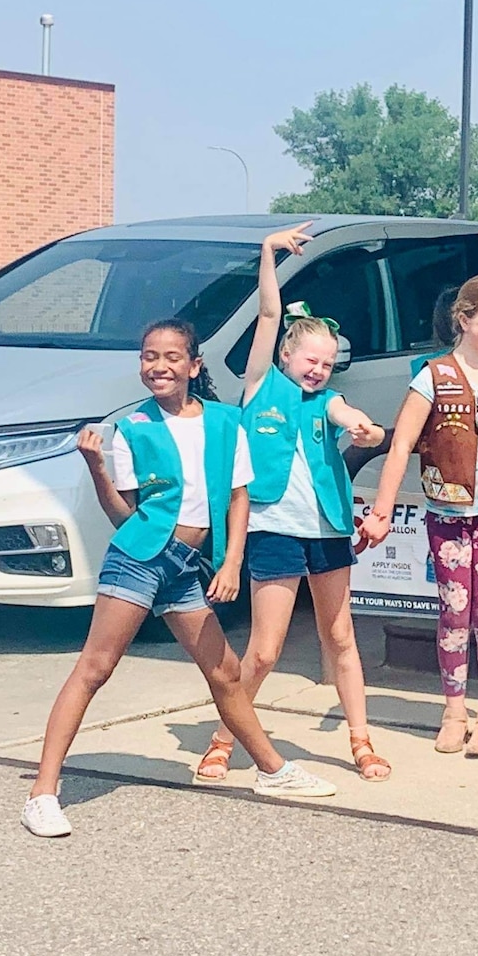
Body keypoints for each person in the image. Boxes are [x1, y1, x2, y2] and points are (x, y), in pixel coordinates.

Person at [21, 317, 336, 838]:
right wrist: (97, 467)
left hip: (188, 568)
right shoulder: (132, 429)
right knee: (96, 667)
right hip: (141, 557)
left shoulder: (225, 423)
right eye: (149, 356)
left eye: (170, 357)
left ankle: (273, 772)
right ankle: (42, 794)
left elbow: (238, 497)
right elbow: (124, 515)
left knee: (226, 673)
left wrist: (233, 561)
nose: (158, 366)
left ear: (194, 365)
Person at [193, 223, 392, 784]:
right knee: (263, 650)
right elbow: (268, 315)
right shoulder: (260, 388)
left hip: (328, 529)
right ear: (285, 355)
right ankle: (222, 739)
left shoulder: (329, 400)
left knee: (341, 638)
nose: (318, 370)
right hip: (273, 528)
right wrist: (267, 255)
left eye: (327, 364)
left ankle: (361, 740)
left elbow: (347, 417)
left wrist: (363, 428)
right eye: (310, 360)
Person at [359, 274, 478, 759]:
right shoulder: (432, 375)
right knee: (455, 609)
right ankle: (453, 709)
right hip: (447, 509)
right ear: (464, 320)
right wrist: (381, 511)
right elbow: (401, 443)